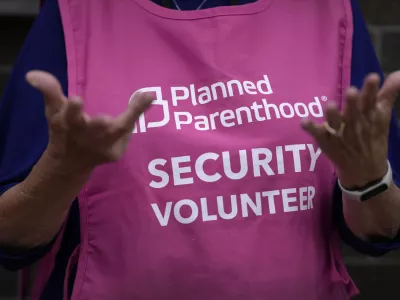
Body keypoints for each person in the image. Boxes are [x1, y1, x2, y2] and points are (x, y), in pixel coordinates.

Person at [0, 0, 400, 299]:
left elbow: (380, 230)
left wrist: (366, 181)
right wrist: (62, 172)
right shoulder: (77, 14)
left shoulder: (327, 12)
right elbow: (11, 237)